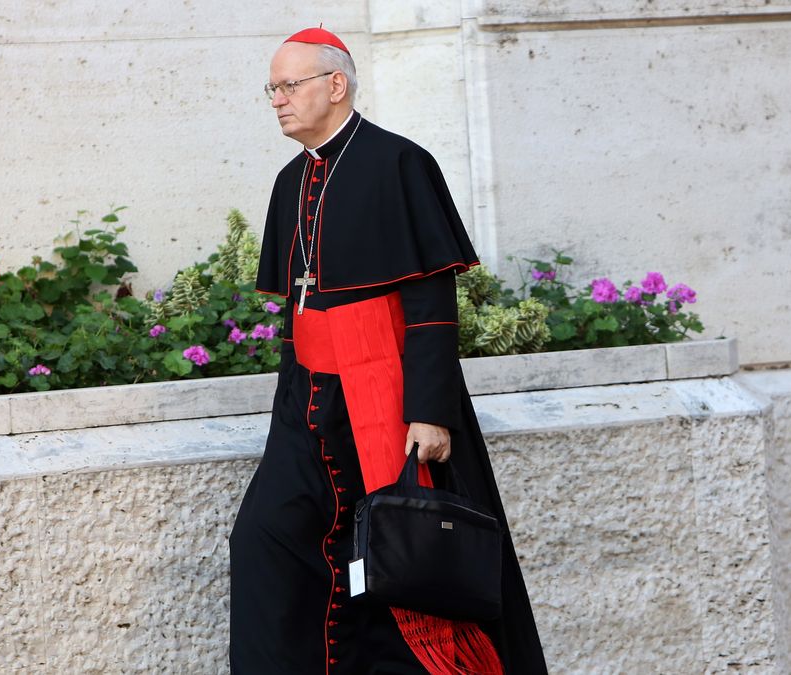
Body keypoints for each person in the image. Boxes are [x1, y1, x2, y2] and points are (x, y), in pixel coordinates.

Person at [229, 27, 548, 674]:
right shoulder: (292, 182)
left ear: (336, 85)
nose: (278, 100)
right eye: (273, 88)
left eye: (290, 85)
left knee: (400, 553)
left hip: (387, 401)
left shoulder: (400, 163)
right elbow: (297, 315)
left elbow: (431, 307)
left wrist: (428, 411)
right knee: (265, 538)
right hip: (310, 405)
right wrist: (288, 414)